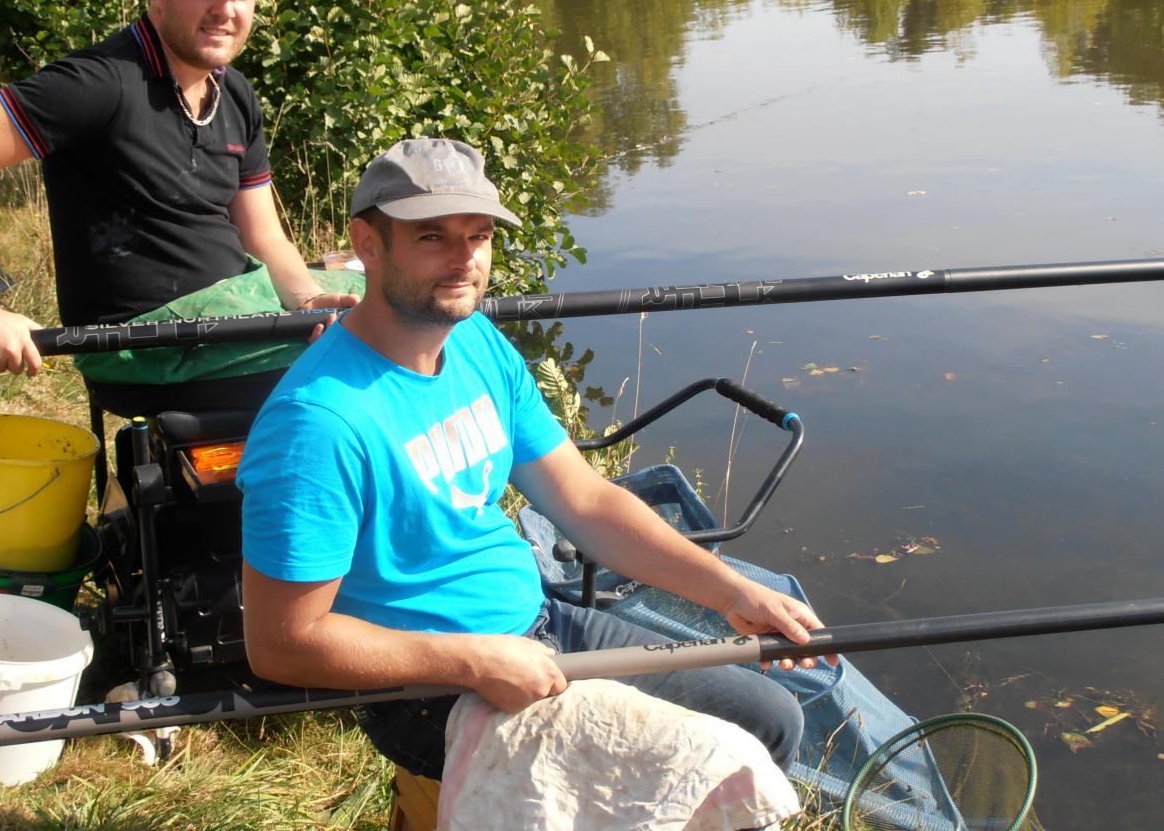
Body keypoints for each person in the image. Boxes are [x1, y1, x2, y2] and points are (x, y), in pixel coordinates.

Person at [237, 137, 834, 783]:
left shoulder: (475, 342)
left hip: (539, 622)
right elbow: (280, 644)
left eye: (480, 235)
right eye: (432, 238)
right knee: (692, 769)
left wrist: (734, 593)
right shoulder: (317, 424)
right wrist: (472, 662)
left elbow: (585, 502)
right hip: (429, 692)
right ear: (368, 243)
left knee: (771, 720)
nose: (465, 260)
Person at [0, 0, 357, 415]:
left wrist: (307, 301)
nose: (226, 8)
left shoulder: (235, 94)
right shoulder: (101, 83)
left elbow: (264, 235)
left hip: (239, 314)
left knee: (408, 311)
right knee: (360, 366)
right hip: (143, 348)